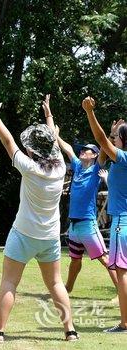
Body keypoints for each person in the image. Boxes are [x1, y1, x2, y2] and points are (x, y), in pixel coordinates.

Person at [0, 96, 78, 343]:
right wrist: (49, 116)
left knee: (10, 282)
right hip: (50, 236)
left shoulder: (29, 167)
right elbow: (52, 139)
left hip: (23, 233)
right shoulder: (61, 169)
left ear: (33, 150)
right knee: (55, 284)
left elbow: (9, 141)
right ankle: (70, 331)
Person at [47, 94, 118, 295]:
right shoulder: (78, 167)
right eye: (83, 150)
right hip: (74, 225)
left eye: (87, 150)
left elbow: (105, 147)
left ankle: (121, 290)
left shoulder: (97, 168)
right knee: (75, 260)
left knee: (104, 259)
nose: (83, 152)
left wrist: (111, 136)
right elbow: (67, 148)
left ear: (94, 155)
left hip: (87, 224)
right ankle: (67, 288)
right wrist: (56, 135)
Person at [82, 96, 127, 333]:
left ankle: (125, 323)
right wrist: (111, 136)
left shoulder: (123, 157)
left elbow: (99, 140)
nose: (113, 141)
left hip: (122, 221)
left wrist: (90, 112)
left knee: (121, 273)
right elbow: (103, 152)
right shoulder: (120, 158)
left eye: (117, 137)